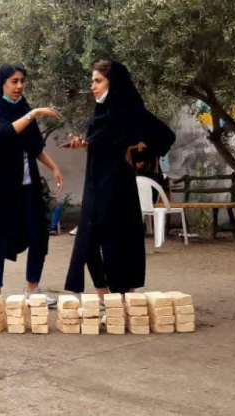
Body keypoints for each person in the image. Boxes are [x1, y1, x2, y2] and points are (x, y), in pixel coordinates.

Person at [65, 59, 175, 298]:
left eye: (98, 81)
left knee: (119, 235)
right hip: (95, 180)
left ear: (112, 82)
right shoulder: (101, 110)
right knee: (88, 237)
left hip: (117, 182)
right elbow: (102, 142)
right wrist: (84, 143)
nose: (93, 87)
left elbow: (165, 135)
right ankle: (104, 294)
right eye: (92, 81)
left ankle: (125, 292)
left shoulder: (128, 108)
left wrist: (136, 152)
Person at [0, 64, 64, 305]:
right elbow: (5, 133)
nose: (19, 86)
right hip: (3, 185)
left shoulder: (23, 106)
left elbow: (34, 145)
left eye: (22, 81)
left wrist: (53, 167)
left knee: (39, 234)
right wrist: (33, 113)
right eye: (14, 81)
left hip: (28, 185)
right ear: (2, 83)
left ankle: (32, 289)